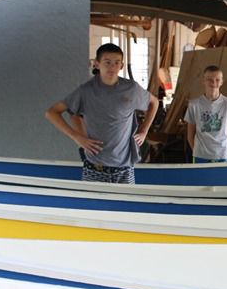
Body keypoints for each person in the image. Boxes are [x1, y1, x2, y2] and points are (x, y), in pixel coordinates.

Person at [45, 43, 158, 184]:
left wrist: (144, 130)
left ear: (122, 66)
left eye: (116, 63)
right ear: (97, 64)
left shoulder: (131, 89)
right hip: (95, 168)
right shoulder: (85, 91)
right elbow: (52, 112)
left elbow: (155, 102)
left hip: (124, 167)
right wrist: (77, 137)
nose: (112, 67)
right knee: (92, 205)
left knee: (125, 205)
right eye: (107, 62)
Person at [184, 65, 227, 163]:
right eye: (209, 79)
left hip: (222, 155)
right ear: (203, 81)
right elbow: (190, 135)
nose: (213, 83)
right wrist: (198, 151)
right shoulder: (194, 105)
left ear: (222, 82)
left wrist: (223, 149)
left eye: (217, 80)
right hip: (200, 155)